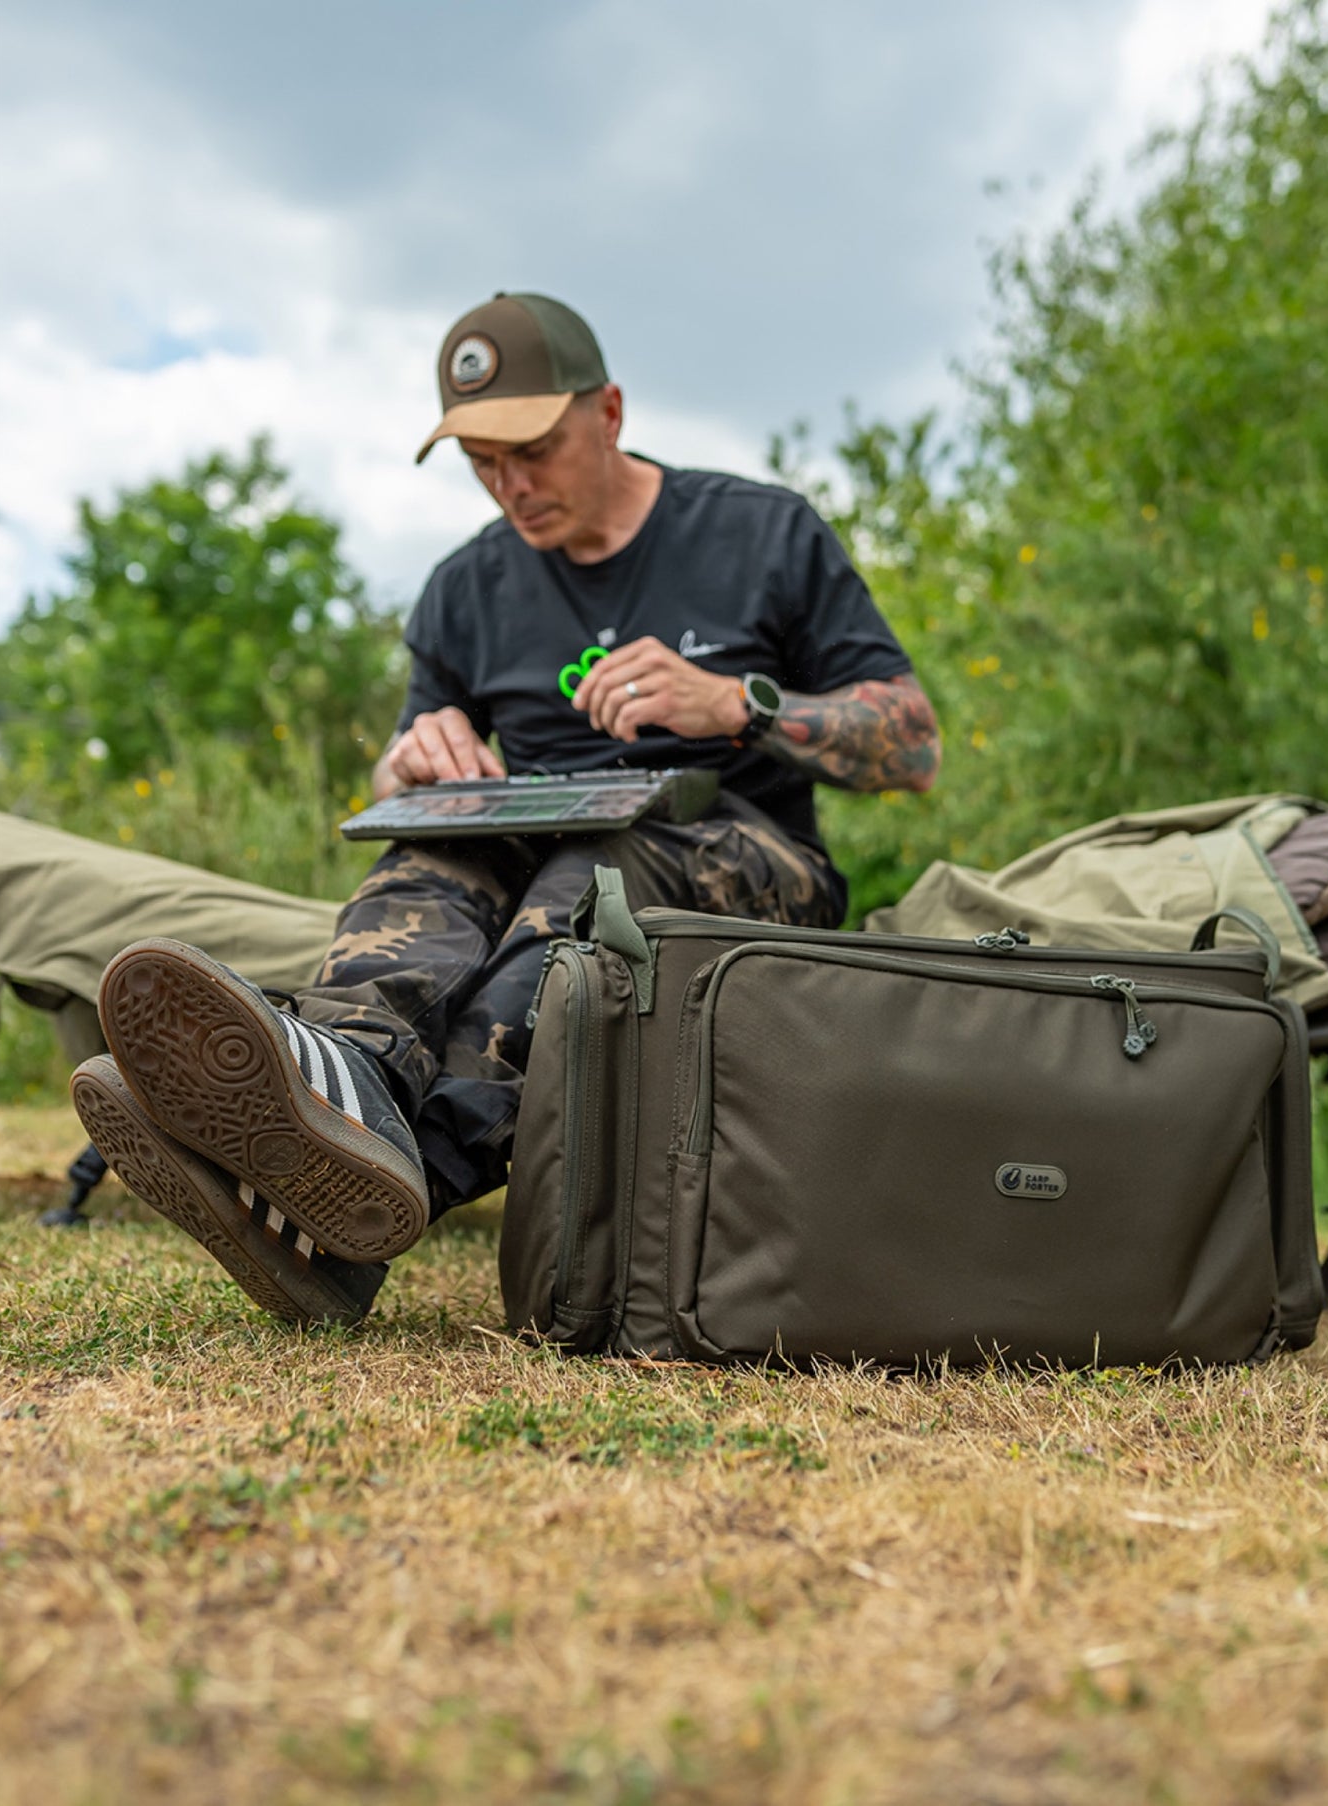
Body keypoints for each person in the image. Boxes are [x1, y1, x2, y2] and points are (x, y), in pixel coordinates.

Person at [72, 292, 941, 1326]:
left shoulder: (759, 532)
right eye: (482, 464)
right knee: (430, 861)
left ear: (609, 412)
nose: (510, 486)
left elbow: (911, 747)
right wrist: (411, 766)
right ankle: (343, 1081)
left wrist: (734, 704)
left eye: (531, 450)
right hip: (526, 834)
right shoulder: (462, 589)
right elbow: (415, 766)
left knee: (590, 880)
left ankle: (377, 1191)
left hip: (739, 854)